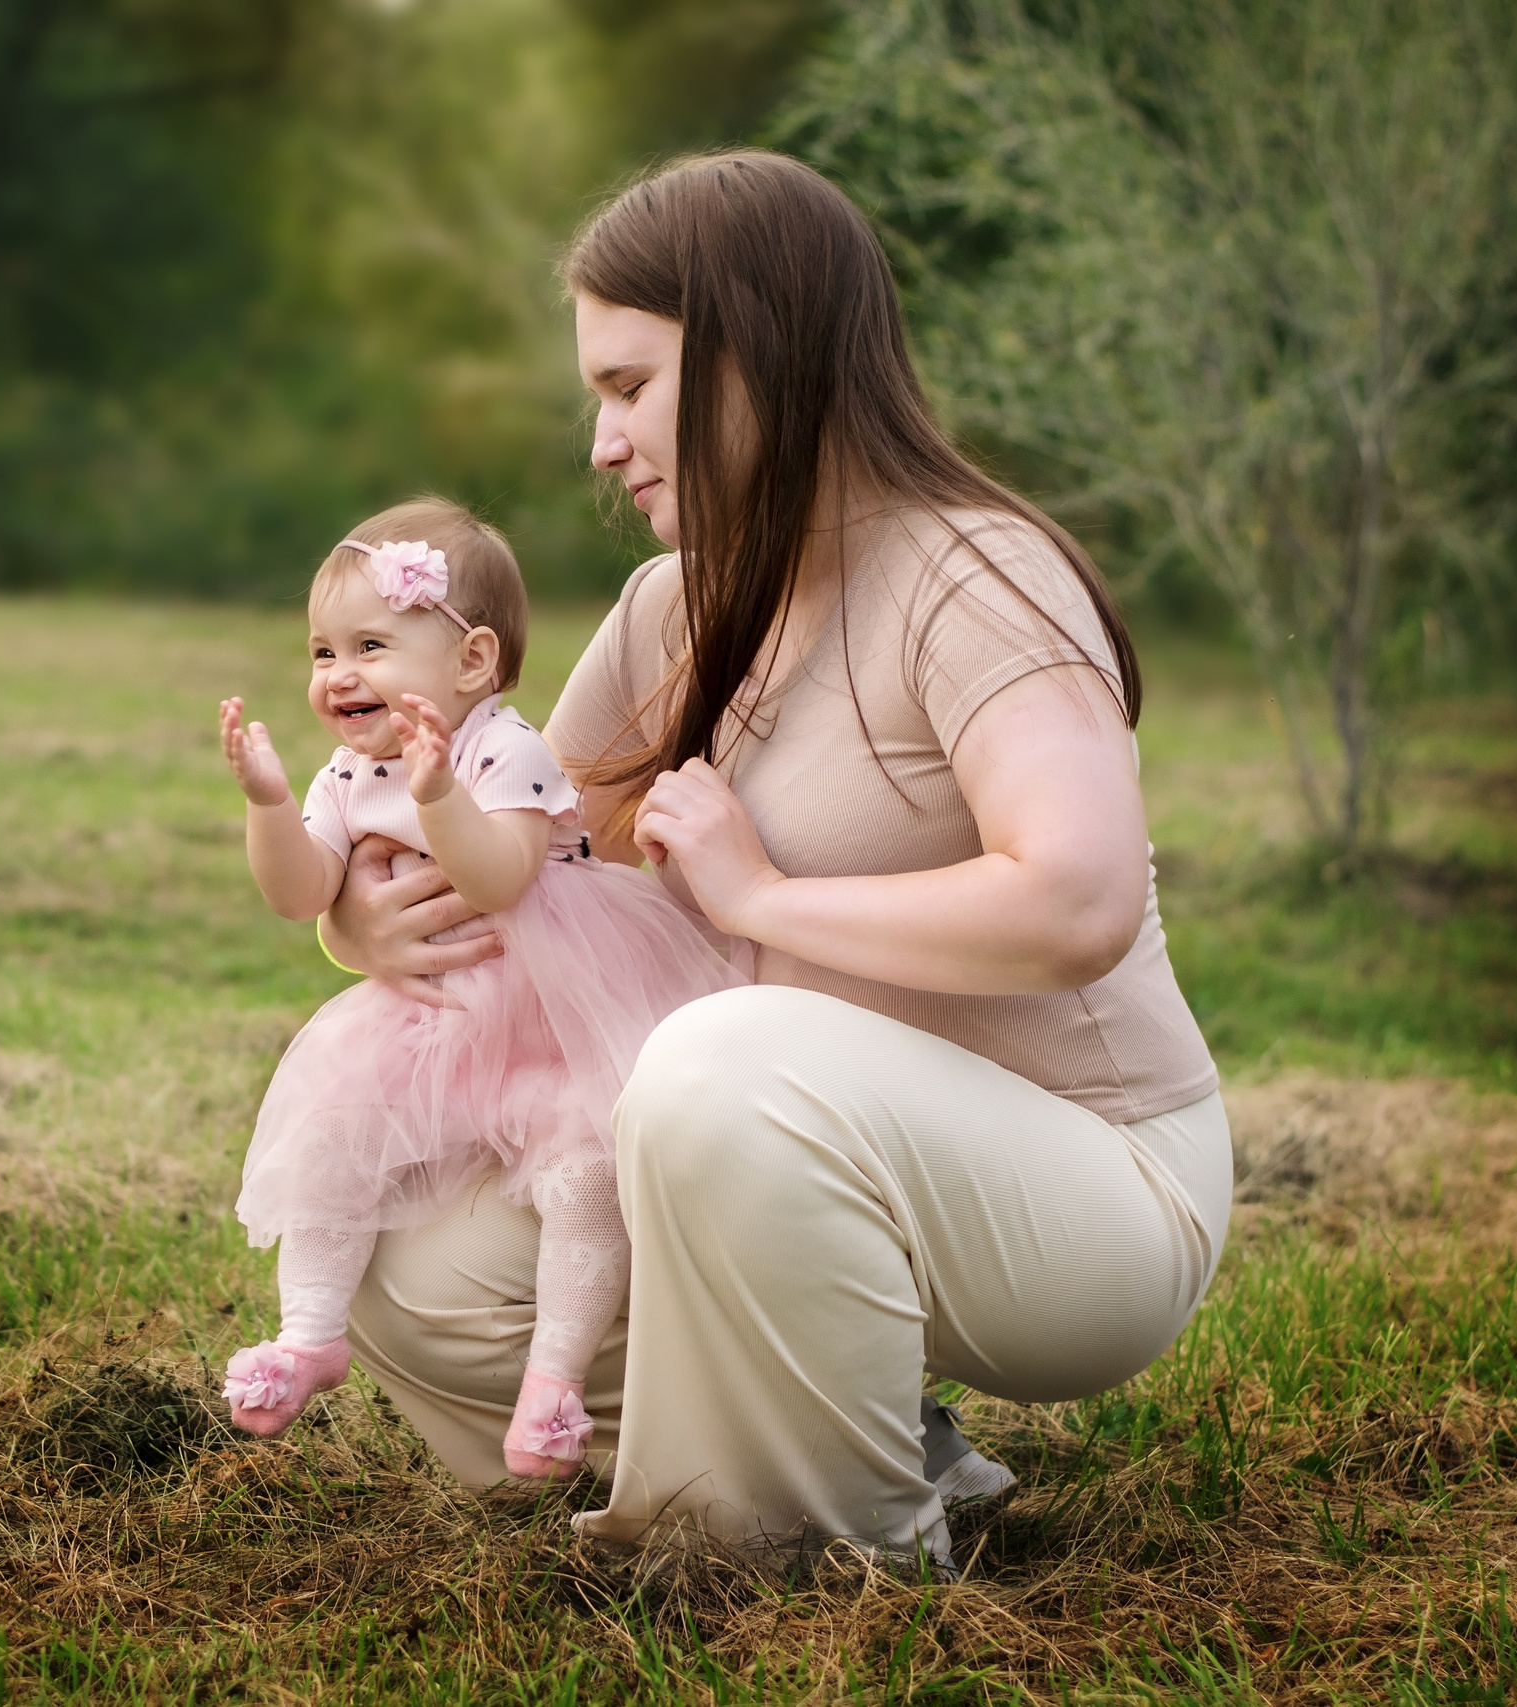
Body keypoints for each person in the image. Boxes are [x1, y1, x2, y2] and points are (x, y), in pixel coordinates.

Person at [317, 151, 1234, 1563]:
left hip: (1090, 1192)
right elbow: (513, 864)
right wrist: (363, 929)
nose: (602, 443)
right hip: (782, 1151)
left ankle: (828, 1547)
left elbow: (1080, 896)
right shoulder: (663, 609)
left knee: (717, 1060)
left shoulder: (973, 572)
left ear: (758, 354)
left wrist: (763, 898)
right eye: (595, 400)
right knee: (405, 1255)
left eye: (631, 387)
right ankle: (887, 1440)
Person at [216, 497, 743, 1479]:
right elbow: (299, 896)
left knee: (582, 1177)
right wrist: (272, 805)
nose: (338, 675)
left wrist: (435, 798)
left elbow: (501, 876)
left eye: (370, 645)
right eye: (323, 651)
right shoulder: (345, 770)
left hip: (556, 1012)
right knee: (334, 1136)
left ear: (470, 663)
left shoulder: (503, 748)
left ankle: (552, 1386)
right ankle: (308, 1334)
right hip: (437, 1016)